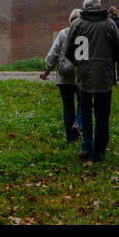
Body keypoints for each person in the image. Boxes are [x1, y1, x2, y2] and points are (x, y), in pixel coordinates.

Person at [65, 0, 119, 164]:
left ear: (84, 6)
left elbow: (69, 51)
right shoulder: (109, 24)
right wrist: (106, 59)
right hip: (104, 74)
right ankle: (97, 153)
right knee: (102, 114)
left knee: (84, 109)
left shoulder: (76, 24)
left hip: (83, 75)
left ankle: (86, 146)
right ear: (99, 6)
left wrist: (80, 63)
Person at [41, 9, 84, 142]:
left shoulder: (63, 33)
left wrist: (46, 70)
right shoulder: (85, 34)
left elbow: (53, 53)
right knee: (84, 103)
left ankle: (71, 139)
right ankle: (78, 123)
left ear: (70, 20)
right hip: (80, 77)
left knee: (68, 108)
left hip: (64, 77)